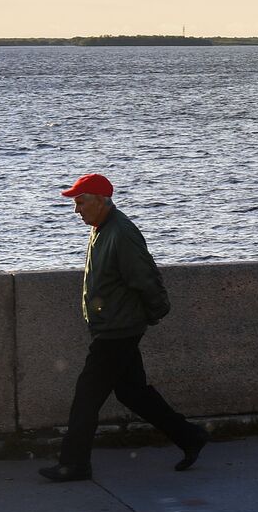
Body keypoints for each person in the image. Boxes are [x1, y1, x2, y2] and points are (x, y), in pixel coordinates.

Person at [39, 172, 208, 482]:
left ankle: (74, 464)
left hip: (118, 330)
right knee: (133, 393)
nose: (77, 210)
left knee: (86, 397)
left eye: (81, 202)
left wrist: (156, 311)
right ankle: (190, 436)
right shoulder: (102, 228)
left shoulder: (121, 233)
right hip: (114, 327)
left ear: (102, 201)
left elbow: (145, 277)